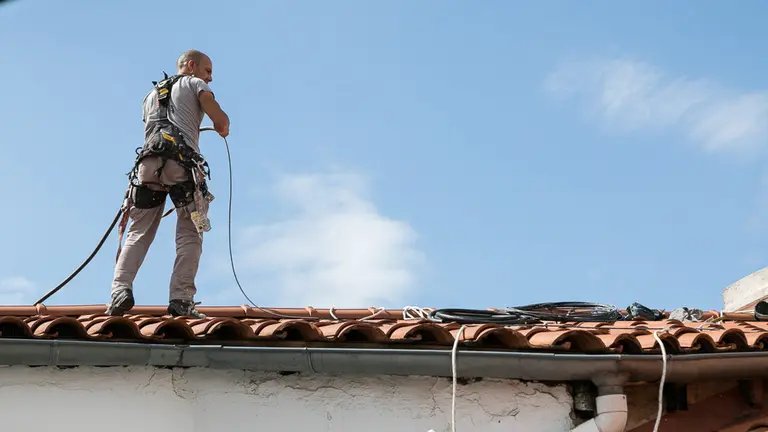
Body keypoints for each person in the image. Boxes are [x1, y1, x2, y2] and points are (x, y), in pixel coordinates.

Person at [106, 50, 230, 318]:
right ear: (192, 65)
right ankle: (181, 299)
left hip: (147, 167)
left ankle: (120, 289)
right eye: (208, 71)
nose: (210, 78)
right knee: (190, 232)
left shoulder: (149, 96)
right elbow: (219, 119)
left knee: (138, 231)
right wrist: (223, 126)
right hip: (181, 166)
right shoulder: (194, 83)